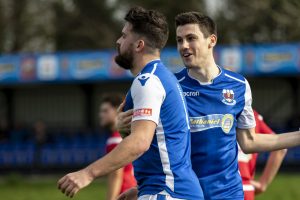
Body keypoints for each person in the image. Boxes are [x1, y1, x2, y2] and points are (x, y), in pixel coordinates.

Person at [117, 11, 300, 200]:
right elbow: (152, 144)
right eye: (180, 40)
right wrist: (124, 133)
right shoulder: (169, 86)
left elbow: (249, 141)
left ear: (211, 40)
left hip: (229, 193)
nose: (184, 46)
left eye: (191, 38)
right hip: (184, 194)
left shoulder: (238, 85)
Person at [58, 6, 203, 200]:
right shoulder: (165, 79)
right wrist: (139, 189)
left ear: (138, 45)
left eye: (124, 36)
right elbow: (166, 144)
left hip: (166, 193)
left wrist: (87, 173)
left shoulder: (148, 81)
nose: (118, 41)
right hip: (172, 190)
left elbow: (140, 142)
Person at [238, 110, 287, 200]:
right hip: (246, 188)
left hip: (216, 186)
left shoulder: (211, 112)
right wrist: (262, 184)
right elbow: (280, 147)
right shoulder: (251, 115)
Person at [99, 94, 136, 200]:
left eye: (105, 111)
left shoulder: (115, 140)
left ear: (117, 110)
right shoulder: (130, 136)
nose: (100, 115)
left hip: (123, 193)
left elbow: (116, 175)